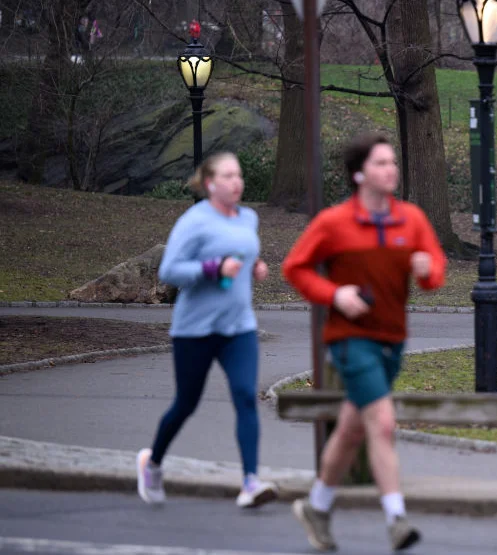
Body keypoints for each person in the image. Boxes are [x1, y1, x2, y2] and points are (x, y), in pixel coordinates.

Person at [283, 133, 447, 552]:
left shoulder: (410, 219)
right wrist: (334, 294)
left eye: (392, 162)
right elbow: (296, 268)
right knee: (383, 423)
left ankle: (317, 508)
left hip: (392, 340)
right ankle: (396, 519)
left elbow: (434, 275)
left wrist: (426, 270)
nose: (390, 169)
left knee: (351, 429)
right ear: (359, 173)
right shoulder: (334, 222)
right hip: (349, 340)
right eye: (380, 163)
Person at [137, 152, 278, 509]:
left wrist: (255, 267)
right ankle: (152, 463)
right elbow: (169, 270)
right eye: (228, 176)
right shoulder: (194, 221)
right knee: (186, 404)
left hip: (239, 328)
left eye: (239, 175)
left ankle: (250, 482)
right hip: (195, 330)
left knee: (245, 396)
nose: (237, 182)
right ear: (210, 184)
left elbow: (242, 256)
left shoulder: (248, 218)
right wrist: (213, 269)